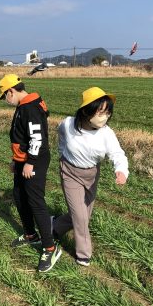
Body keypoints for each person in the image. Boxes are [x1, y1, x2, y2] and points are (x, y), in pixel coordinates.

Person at [52, 87, 129, 267]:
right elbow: (61, 137)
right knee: (80, 217)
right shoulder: (68, 124)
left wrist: (121, 171)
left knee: (83, 214)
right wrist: (62, 153)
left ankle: (54, 226)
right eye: (100, 112)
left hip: (92, 174)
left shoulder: (106, 134)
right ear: (87, 111)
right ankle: (83, 254)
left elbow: (118, 154)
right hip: (69, 172)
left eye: (107, 113)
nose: (105, 117)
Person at [0, 74, 61, 273]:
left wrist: (30, 163)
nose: (5, 100)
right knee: (19, 196)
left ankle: (50, 247)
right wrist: (16, 160)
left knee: (35, 202)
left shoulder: (30, 107)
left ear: (11, 91)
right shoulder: (24, 104)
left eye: (5, 96)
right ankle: (30, 234)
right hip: (22, 160)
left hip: (34, 160)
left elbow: (37, 137)